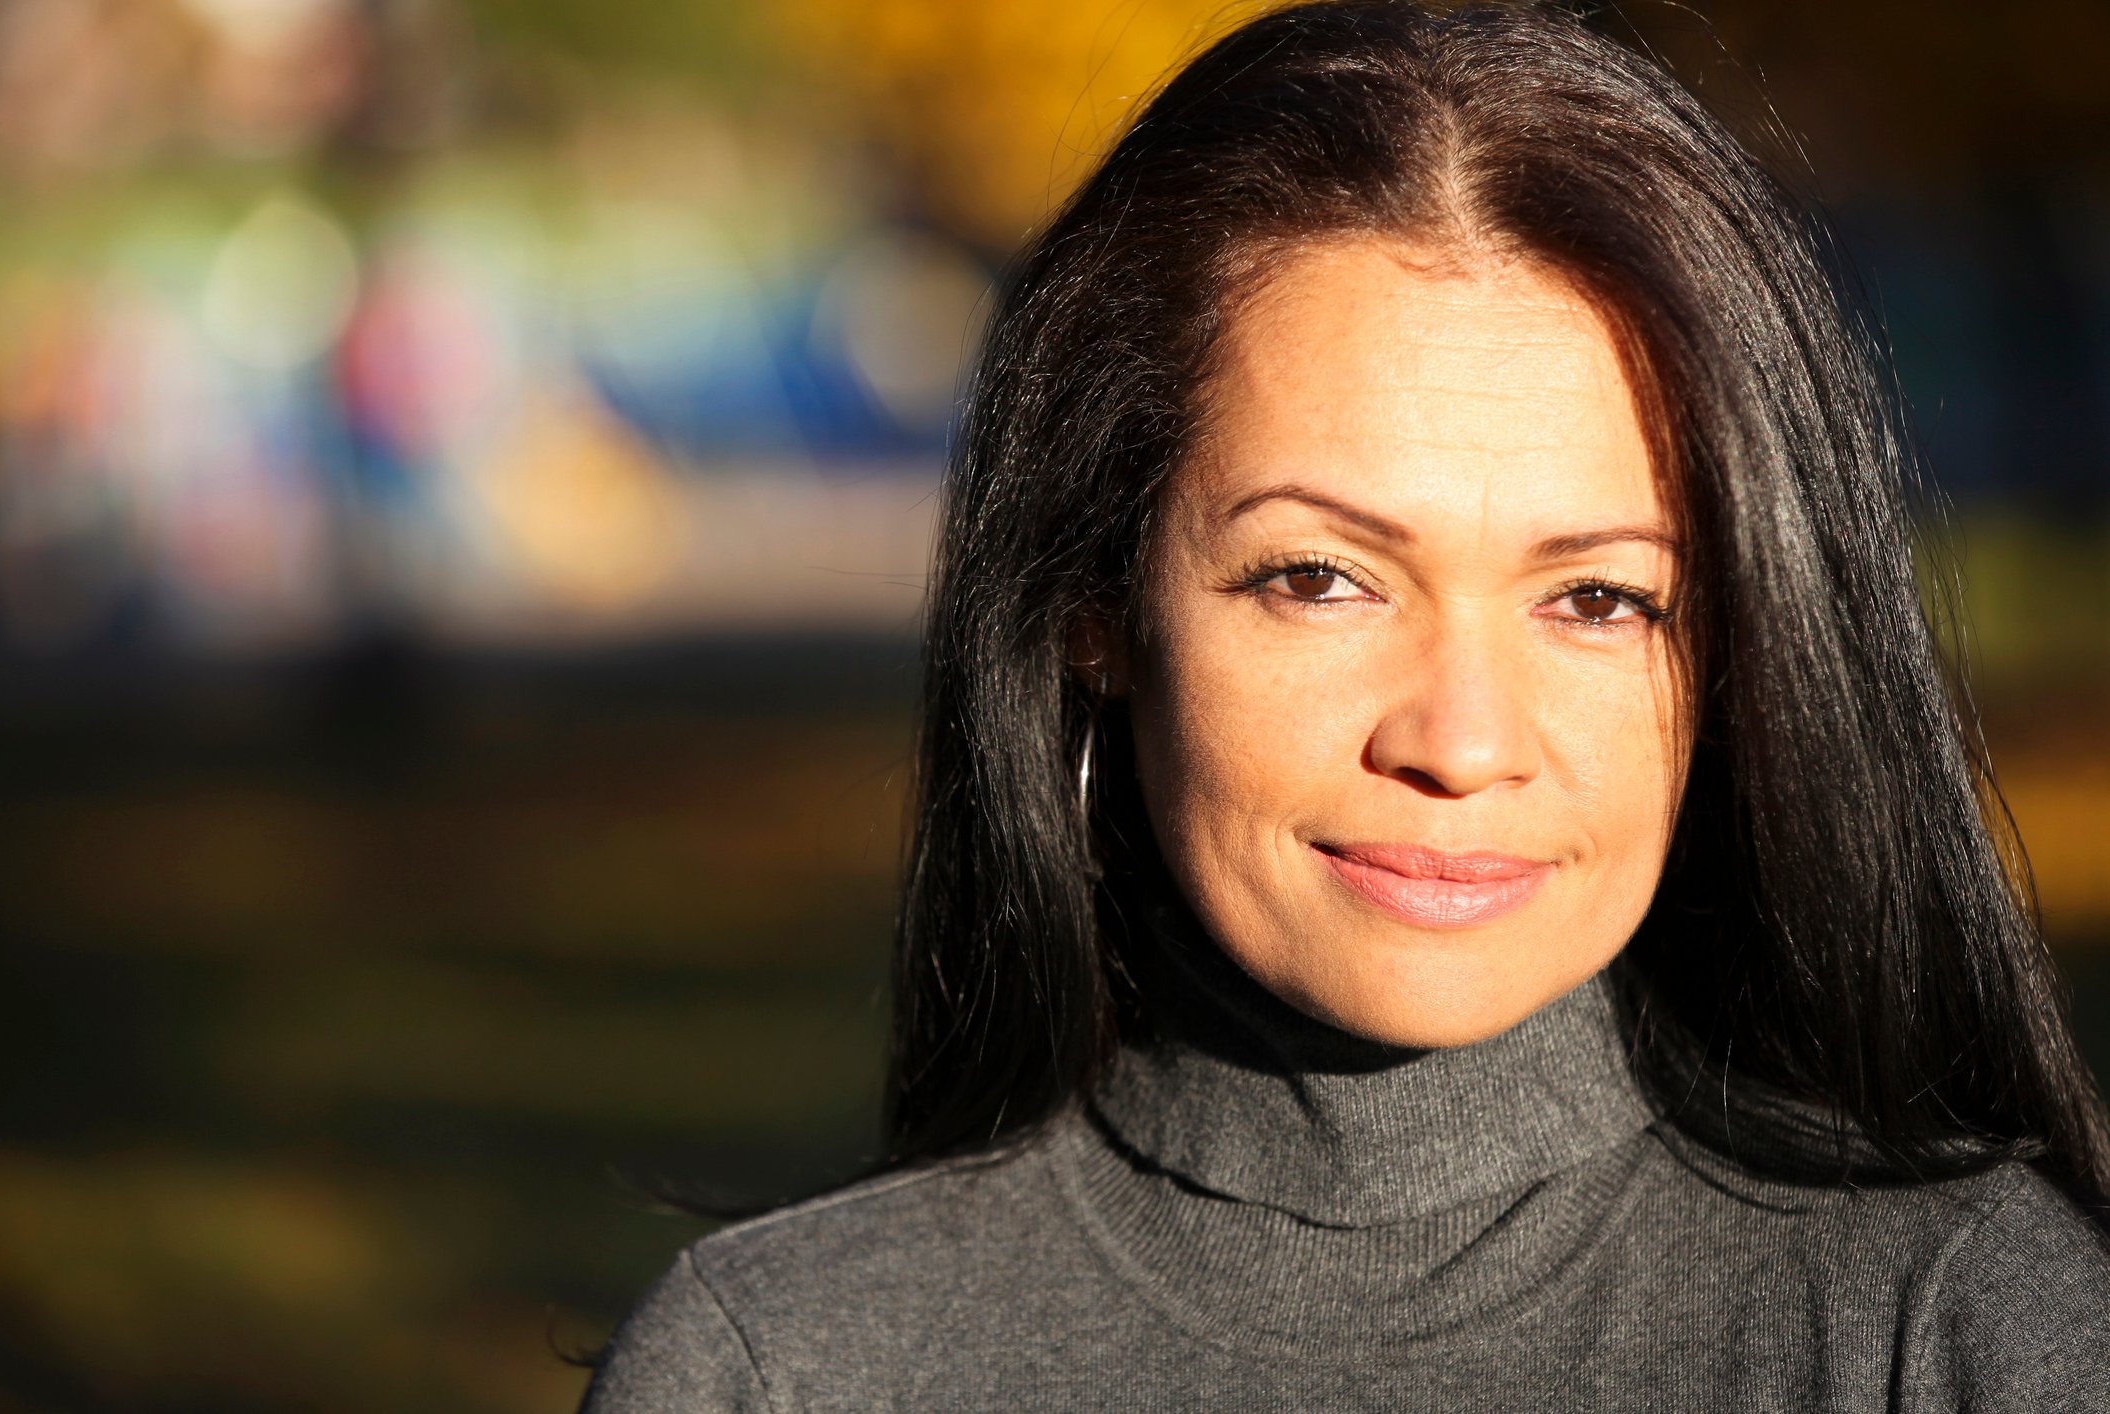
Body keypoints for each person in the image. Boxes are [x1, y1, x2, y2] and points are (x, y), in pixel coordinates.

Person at [580, 3, 2110, 1408]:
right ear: (1096, 607)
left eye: (1597, 597)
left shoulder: (1969, 1330)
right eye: (1319, 577)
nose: (1459, 740)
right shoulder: (778, 1367)